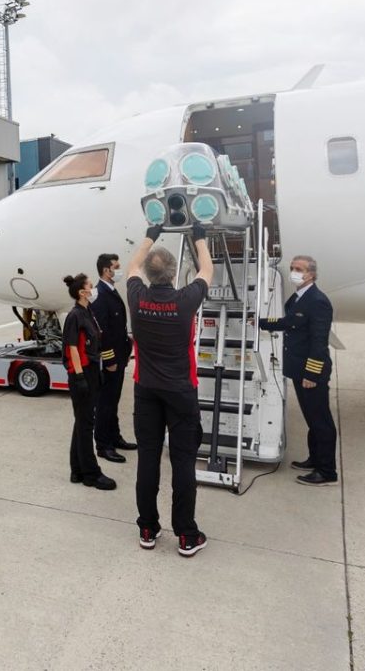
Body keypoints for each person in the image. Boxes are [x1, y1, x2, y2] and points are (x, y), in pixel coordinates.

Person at [125, 224, 214, 556]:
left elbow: (132, 266)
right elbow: (207, 270)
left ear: (148, 273)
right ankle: (186, 535)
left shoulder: (137, 297)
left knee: (147, 459)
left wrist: (150, 234)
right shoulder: (184, 300)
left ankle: (147, 528)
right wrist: (200, 236)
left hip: (146, 389)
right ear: (175, 273)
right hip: (180, 391)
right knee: (183, 463)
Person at [258, 256, 337, 486]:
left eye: (299, 269)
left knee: (321, 422)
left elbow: (319, 343)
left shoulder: (318, 301)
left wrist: (311, 375)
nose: (293, 272)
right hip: (299, 370)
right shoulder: (299, 296)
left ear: (311, 274)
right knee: (312, 419)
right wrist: (260, 322)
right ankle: (315, 459)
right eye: (292, 268)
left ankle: (327, 472)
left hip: (311, 373)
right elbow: (288, 321)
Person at [62, 273, 116, 491]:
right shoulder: (75, 316)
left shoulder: (87, 312)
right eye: (90, 287)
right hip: (81, 373)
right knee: (86, 425)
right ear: (82, 292)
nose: (93, 290)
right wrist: (79, 376)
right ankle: (91, 474)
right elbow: (72, 348)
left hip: (91, 371)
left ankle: (76, 469)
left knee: (82, 422)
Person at [90, 253, 137, 463]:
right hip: (109, 361)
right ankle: (103, 445)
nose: (119, 270)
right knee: (105, 403)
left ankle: (115, 437)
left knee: (113, 401)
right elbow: (102, 334)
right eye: (116, 267)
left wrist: (126, 347)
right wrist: (109, 360)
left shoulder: (110, 290)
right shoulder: (99, 295)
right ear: (106, 271)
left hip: (119, 357)